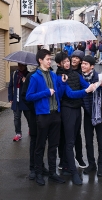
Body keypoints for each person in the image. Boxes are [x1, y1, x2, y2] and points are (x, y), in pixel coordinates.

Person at [26, 49, 94, 186]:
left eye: (50, 59)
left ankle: (52, 173)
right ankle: (38, 172)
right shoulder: (35, 77)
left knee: (53, 146)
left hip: (55, 114)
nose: (49, 61)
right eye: (47, 59)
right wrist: (45, 92)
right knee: (40, 146)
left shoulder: (53, 74)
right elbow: (29, 96)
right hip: (43, 115)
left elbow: (61, 93)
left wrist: (63, 83)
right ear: (40, 60)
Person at [55, 52, 94, 185]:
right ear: (59, 64)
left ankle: (68, 165)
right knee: (69, 141)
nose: (67, 63)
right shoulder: (60, 77)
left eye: (68, 60)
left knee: (73, 138)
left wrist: (96, 83)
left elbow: (85, 84)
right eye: (64, 62)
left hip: (77, 110)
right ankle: (73, 172)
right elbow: (70, 94)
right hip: (67, 110)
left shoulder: (75, 74)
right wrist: (86, 91)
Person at [81, 55, 102, 177]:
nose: (83, 65)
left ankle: (101, 166)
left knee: (101, 142)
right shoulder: (81, 79)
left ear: (92, 66)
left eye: (85, 64)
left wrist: (100, 103)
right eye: (82, 63)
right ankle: (91, 164)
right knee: (88, 141)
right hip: (88, 115)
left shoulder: (99, 78)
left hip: (99, 115)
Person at [22, 69, 49, 180]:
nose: (49, 61)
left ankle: (41, 165)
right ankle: (33, 167)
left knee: (42, 140)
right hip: (33, 113)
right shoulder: (31, 76)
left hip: (45, 113)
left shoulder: (49, 74)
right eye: (47, 59)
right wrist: (34, 109)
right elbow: (25, 96)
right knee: (34, 140)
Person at [8, 63, 30, 142]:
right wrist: (10, 97)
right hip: (16, 100)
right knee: (16, 118)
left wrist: (25, 82)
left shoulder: (29, 75)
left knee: (29, 117)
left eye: (22, 65)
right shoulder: (14, 74)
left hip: (25, 100)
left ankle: (31, 128)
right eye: (19, 65)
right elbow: (10, 86)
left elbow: (31, 88)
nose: (20, 67)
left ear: (25, 65)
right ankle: (18, 133)